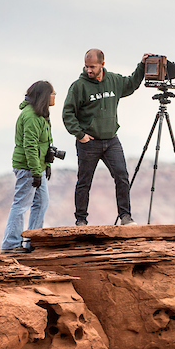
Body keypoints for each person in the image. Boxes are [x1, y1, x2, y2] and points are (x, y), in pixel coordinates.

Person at [62, 48, 148, 226]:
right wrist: (80, 134)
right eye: (86, 67)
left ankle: (125, 217)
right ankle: (81, 220)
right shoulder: (79, 86)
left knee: (122, 176)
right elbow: (67, 113)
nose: (88, 70)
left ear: (102, 64)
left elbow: (131, 83)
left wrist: (142, 66)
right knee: (84, 181)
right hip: (89, 142)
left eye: (92, 67)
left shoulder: (114, 80)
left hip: (111, 140)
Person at [1, 80, 55, 252]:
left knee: (41, 202)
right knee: (21, 204)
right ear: (45, 96)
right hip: (28, 168)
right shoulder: (31, 116)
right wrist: (35, 172)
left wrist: (45, 164)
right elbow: (29, 146)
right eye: (53, 93)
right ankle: (10, 244)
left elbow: (42, 143)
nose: (54, 97)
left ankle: (33, 241)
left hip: (36, 167)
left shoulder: (40, 114)